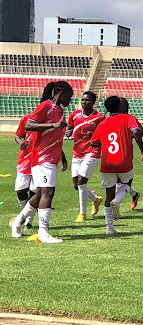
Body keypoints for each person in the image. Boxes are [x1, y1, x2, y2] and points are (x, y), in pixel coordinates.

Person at [10, 81, 73, 243]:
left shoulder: (60, 111)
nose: (70, 100)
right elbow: (29, 124)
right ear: (61, 92)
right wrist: (52, 124)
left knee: (39, 194)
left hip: (51, 158)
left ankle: (17, 222)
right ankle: (43, 233)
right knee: (48, 193)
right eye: (69, 96)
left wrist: (62, 156)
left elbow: (55, 136)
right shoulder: (46, 106)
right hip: (42, 157)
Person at [90, 96, 143, 235]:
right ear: (119, 107)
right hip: (123, 161)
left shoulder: (102, 124)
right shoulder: (128, 118)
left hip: (107, 162)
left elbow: (93, 142)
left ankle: (109, 229)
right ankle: (118, 200)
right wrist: (142, 152)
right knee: (127, 184)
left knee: (108, 194)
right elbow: (136, 131)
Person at [67, 91, 105, 222]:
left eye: (87, 100)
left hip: (92, 152)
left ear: (93, 102)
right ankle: (95, 199)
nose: (84, 102)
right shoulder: (74, 115)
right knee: (76, 185)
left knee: (82, 181)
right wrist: (68, 131)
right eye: (82, 100)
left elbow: (104, 133)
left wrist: (96, 137)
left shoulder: (100, 117)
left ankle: (82, 214)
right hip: (77, 152)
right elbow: (69, 128)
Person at [13, 112, 37, 233]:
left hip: (39, 160)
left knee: (34, 192)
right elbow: (17, 135)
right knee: (20, 190)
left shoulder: (49, 121)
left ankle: (29, 221)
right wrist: (20, 142)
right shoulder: (27, 119)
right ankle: (25, 214)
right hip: (24, 159)